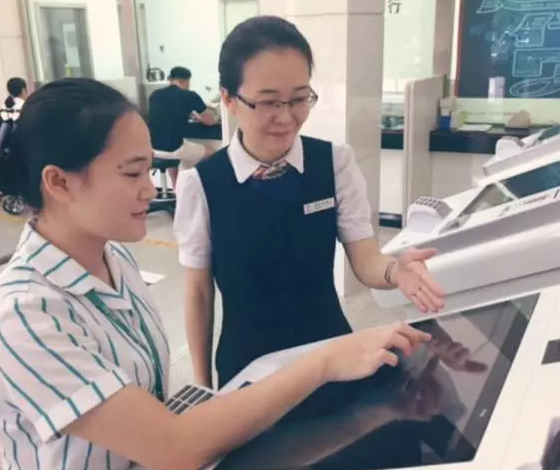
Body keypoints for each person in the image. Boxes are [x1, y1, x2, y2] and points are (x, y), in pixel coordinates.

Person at [0, 77, 432, 470]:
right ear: (58, 182)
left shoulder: (114, 261)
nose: (150, 189)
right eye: (132, 173)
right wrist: (325, 362)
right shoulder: (23, 316)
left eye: (298, 98)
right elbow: (174, 446)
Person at [173, 15, 446, 389]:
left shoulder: (334, 163)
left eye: (300, 98)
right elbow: (199, 292)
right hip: (249, 372)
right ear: (228, 99)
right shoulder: (202, 184)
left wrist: (395, 271)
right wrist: (203, 387)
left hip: (334, 356)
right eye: (268, 102)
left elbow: (366, 260)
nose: (287, 117)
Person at [148, 66, 216, 188]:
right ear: (186, 81)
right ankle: (203, 189)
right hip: (174, 149)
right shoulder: (189, 95)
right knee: (212, 154)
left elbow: (166, 116)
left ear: (170, 79)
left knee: (176, 153)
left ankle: (176, 188)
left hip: (154, 149)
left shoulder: (155, 94)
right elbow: (210, 121)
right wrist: (199, 117)